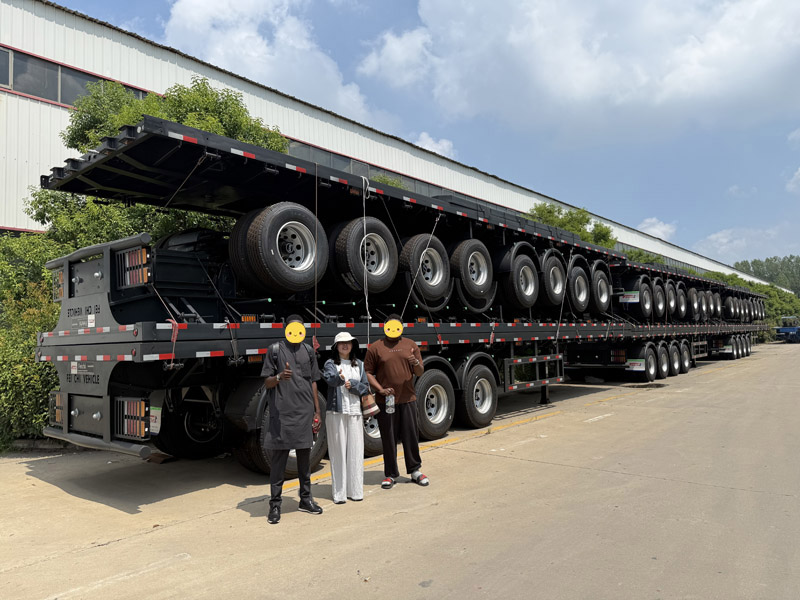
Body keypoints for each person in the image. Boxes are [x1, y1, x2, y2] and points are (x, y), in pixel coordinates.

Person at [261, 315, 323, 525]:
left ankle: (305, 499)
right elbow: (267, 382)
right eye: (291, 328)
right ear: (285, 329)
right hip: (282, 414)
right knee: (278, 462)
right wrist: (279, 377)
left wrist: (317, 411)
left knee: (305, 460)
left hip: (304, 413)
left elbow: (313, 381)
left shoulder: (308, 351)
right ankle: (275, 504)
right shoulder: (275, 350)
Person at [364, 314, 429, 489]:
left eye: (397, 325)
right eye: (390, 325)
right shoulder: (376, 348)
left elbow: (420, 371)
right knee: (388, 438)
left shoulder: (410, 345)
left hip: (408, 398)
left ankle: (415, 470)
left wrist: (415, 362)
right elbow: (368, 372)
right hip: (387, 401)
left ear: (401, 327)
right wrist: (380, 389)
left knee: (410, 435)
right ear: (385, 326)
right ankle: (390, 474)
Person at [322, 331, 370, 504]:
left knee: (356, 451)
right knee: (338, 453)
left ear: (352, 345)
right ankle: (339, 494)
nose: (345, 345)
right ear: (336, 347)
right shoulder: (330, 363)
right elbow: (328, 378)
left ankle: (356, 491)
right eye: (341, 343)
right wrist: (340, 379)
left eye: (348, 342)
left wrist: (355, 385)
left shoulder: (360, 365)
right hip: (336, 413)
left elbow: (366, 387)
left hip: (355, 412)